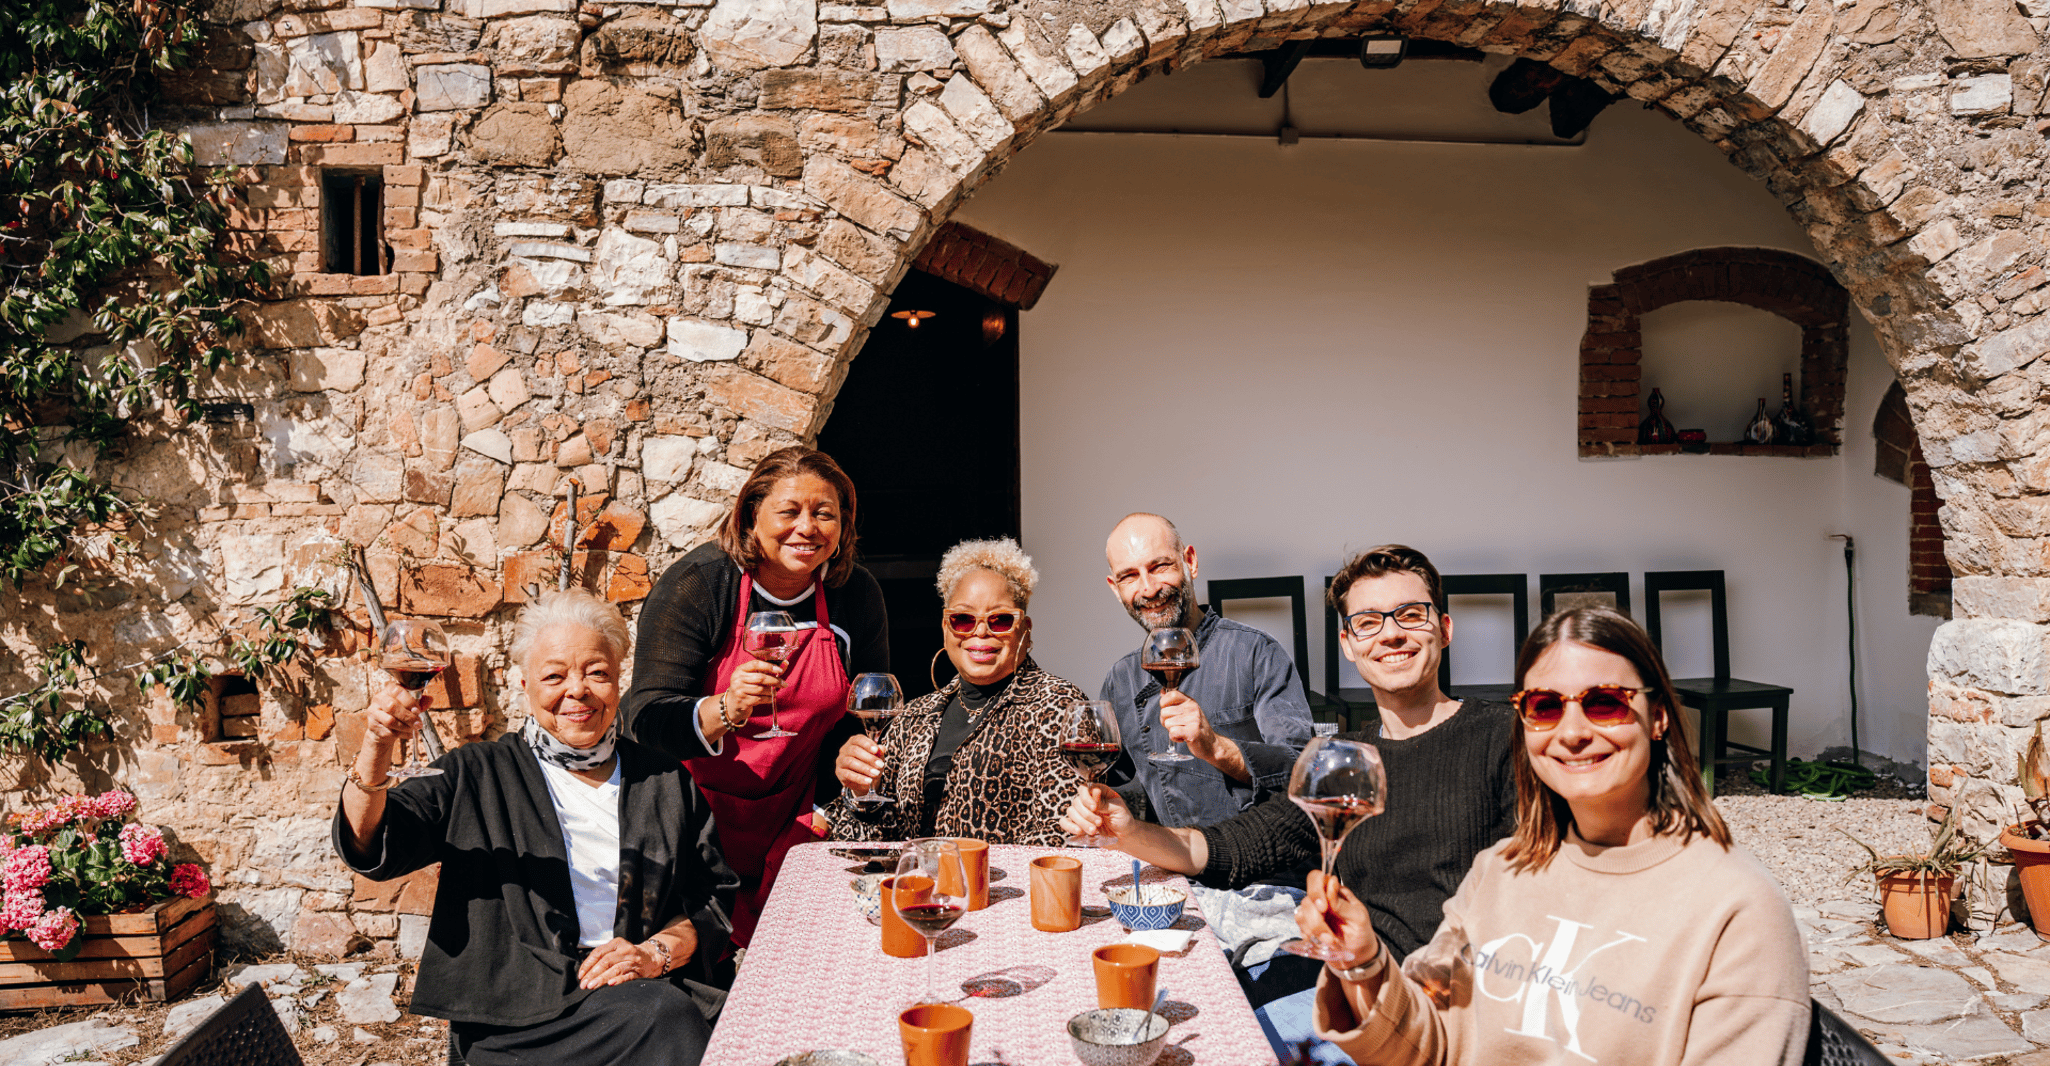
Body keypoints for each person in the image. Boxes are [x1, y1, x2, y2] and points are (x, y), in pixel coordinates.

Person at [1065, 545, 1519, 1062]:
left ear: (1444, 628)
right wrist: (1125, 829)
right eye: (1368, 623)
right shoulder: (1342, 760)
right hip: (1359, 997)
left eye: (1410, 616)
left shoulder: (1504, 737)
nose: (1391, 634)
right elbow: (1230, 848)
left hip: (1461, 1015)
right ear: (1348, 644)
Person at [1298, 606, 1809, 1065]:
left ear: (1657, 717)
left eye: (1604, 702)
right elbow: (1430, 1043)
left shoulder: (1736, 908)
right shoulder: (1500, 869)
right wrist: (1363, 961)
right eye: (1544, 706)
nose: (1572, 732)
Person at [335, 589, 739, 1066]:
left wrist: (656, 954)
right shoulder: (476, 773)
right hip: (519, 1020)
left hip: (641, 989)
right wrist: (377, 745)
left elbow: (712, 899)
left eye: (597, 673)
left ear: (617, 681)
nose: (578, 690)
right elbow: (371, 844)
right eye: (554, 676)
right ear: (524, 684)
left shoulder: (663, 777)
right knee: (667, 1019)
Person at [621, 446, 888, 947]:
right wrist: (724, 709)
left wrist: (851, 759)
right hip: (691, 820)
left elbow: (868, 710)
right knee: (699, 978)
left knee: (799, 963)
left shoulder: (855, 593)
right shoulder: (700, 584)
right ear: (751, 517)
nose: (806, 527)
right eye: (789, 511)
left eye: (823, 513)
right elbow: (645, 717)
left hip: (795, 815)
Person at [826, 537, 1089, 845]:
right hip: (916, 889)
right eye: (963, 619)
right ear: (945, 627)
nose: (980, 632)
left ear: (1025, 628)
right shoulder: (913, 716)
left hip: (1005, 891)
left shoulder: (1059, 706)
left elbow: (1064, 834)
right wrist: (859, 792)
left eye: (1000, 620)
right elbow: (862, 842)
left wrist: (966, 878)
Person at [1100, 512, 1314, 826]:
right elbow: (1112, 782)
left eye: (1159, 566)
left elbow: (1305, 770)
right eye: (1129, 576)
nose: (1147, 589)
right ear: (1115, 588)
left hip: (1259, 868)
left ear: (1190, 562)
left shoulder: (1256, 652)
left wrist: (1217, 747)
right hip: (1171, 867)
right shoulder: (1120, 680)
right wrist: (1092, 798)